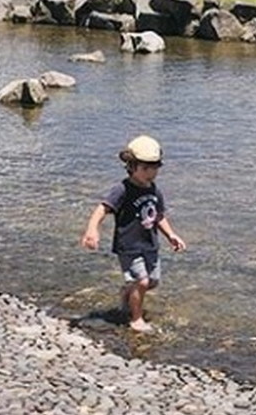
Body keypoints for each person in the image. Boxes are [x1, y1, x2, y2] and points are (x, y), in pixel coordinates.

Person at [80, 134, 187, 332]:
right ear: (131, 166)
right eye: (145, 168)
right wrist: (92, 230)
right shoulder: (122, 190)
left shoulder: (154, 190)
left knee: (152, 282)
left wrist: (171, 235)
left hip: (150, 245)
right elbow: (102, 208)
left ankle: (127, 293)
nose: (150, 173)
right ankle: (136, 318)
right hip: (128, 246)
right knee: (142, 281)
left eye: (154, 168)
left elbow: (159, 216)